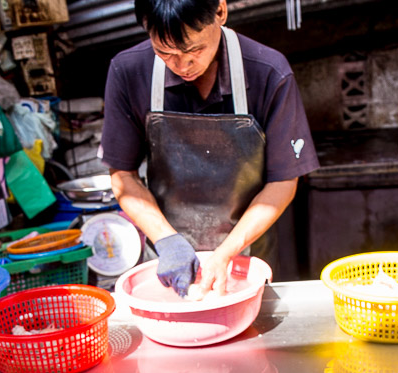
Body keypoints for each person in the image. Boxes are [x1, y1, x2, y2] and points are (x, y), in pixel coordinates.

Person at [100, 0, 319, 297]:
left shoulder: (268, 71)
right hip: (167, 256)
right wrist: (168, 242)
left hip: (245, 253)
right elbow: (123, 176)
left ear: (220, 11)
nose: (182, 66)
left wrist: (227, 252)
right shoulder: (128, 71)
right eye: (165, 52)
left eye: (194, 50)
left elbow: (283, 182)